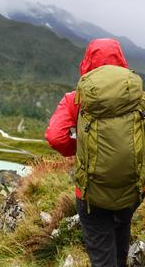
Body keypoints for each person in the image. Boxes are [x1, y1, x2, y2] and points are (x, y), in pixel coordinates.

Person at [45, 38, 143, 267]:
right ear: (121, 60)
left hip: (92, 193)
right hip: (131, 189)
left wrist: (82, 150)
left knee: (101, 254)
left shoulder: (75, 99)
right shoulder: (138, 97)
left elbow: (55, 137)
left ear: (87, 62)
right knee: (121, 236)